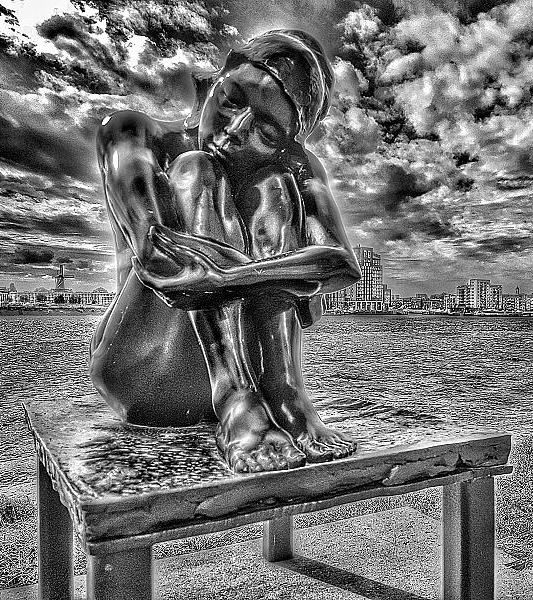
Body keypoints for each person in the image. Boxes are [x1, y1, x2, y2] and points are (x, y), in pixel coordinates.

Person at [90, 29, 362, 473]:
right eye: (233, 100)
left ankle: (285, 393)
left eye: (266, 131)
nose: (235, 130)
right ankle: (235, 398)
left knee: (275, 184)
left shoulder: (290, 168)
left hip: (246, 368)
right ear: (220, 75)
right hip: (145, 363)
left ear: (289, 142)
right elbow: (160, 256)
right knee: (196, 167)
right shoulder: (133, 134)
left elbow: (340, 261)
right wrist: (287, 273)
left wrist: (229, 277)